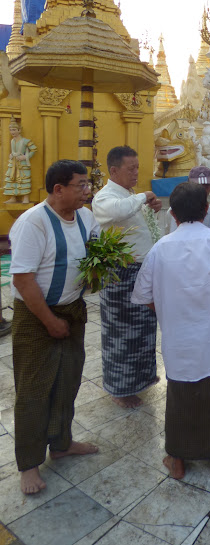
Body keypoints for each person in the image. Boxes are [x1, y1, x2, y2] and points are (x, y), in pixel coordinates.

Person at [132, 182, 210, 479]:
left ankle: (177, 460)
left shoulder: (160, 249)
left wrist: (169, 313)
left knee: (180, 395)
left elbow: (144, 296)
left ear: (171, 213)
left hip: (178, 339)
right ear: (207, 210)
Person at [9, 160, 100, 495]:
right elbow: (23, 278)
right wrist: (49, 321)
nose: (86, 191)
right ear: (58, 189)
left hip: (72, 312)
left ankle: (61, 443)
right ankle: (29, 464)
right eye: (80, 185)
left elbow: (96, 255)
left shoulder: (86, 218)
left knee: (67, 381)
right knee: (33, 390)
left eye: (87, 184)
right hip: (36, 317)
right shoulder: (33, 223)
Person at [92, 146, 162, 408]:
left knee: (143, 331)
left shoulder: (129, 196)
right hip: (120, 276)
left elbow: (136, 228)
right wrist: (144, 196)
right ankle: (120, 389)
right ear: (114, 171)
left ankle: (140, 380)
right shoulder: (105, 197)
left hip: (141, 273)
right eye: (131, 168)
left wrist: (150, 208)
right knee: (121, 335)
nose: (136, 173)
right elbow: (118, 211)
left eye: (137, 168)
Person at [168, 165, 210, 232]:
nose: (203, 190)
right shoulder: (177, 208)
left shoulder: (209, 210)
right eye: (199, 186)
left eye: (206, 186)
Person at [4, 117, 37, 203]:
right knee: (12, 179)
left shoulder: (25, 141)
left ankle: (25, 197)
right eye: (11, 130)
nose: (12, 132)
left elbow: (34, 149)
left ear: (19, 130)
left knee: (24, 179)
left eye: (14, 130)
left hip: (22, 164)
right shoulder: (12, 141)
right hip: (13, 163)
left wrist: (25, 157)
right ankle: (13, 197)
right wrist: (11, 155)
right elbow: (13, 151)